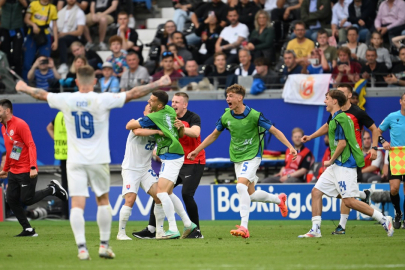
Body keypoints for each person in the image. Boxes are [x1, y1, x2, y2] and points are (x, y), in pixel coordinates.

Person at [14, 66, 172, 259]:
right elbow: (133, 93)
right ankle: (104, 246)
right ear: (95, 82)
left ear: (77, 82)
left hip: (75, 160)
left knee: (77, 205)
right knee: (102, 201)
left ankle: (82, 248)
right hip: (98, 159)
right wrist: (159, 83)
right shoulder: (102, 99)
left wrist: (24, 87)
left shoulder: (67, 99)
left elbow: (41, 94)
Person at [188, 84, 297, 238]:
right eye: (227, 96)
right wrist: (197, 150)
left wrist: (290, 147)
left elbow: (274, 131)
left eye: (231, 96)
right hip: (238, 158)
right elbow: (213, 135)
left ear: (240, 98)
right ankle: (279, 200)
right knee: (250, 194)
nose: (227, 99)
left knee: (240, 186)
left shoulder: (254, 115)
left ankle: (244, 227)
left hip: (253, 156)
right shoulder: (226, 117)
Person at [298, 90, 394, 238]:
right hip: (337, 164)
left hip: (345, 164)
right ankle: (315, 229)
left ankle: (383, 219)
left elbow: (342, 144)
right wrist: (311, 137)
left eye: (327, 99)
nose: (325, 101)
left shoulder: (341, 119)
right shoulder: (336, 117)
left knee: (348, 201)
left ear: (335, 101)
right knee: (316, 192)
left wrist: (330, 160)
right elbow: (331, 133)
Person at [133, 92, 206, 239]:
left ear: (185, 104)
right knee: (163, 192)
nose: (173, 104)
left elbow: (195, 132)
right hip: (174, 159)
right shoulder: (168, 115)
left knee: (185, 194)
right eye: (172, 101)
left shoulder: (193, 117)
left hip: (193, 161)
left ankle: (194, 230)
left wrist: (181, 128)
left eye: (177, 102)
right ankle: (153, 228)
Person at [0, 99, 68, 237]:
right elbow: (11, 150)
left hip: (26, 169)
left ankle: (52, 189)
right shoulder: (4, 128)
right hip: (13, 170)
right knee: (11, 199)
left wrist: (32, 167)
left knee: (27, 199)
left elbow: (31, 145)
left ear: (7, 111)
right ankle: (28, 229)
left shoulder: (20, 124)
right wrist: (6, 169)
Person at [117, 104, 169, 240]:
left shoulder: (157, 125)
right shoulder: (138, 123)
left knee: (160, 196)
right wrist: (157, 132)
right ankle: (121, 233)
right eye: (149, 110)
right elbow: (137, 132)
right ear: (144, 112)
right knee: (130, 199)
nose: (151, 112)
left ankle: (159, 232)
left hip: (146, 169)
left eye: (153, 111)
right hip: (131, 169)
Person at [378, 93, 405, 229]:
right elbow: (377, 131)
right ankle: (398, 213)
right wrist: (383, 142)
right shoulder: (392, 116)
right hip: (396, 156)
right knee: (394, 189)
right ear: (401, 101)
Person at [22, 0, 58, 80]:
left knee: (45, 62)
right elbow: (26, 19)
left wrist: (56, 41)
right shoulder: (33, 4)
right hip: (32, 35)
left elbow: (55, 26)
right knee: (27, 62)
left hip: (45, 35)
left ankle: (46, 85)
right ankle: (25, 84)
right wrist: (33, 25)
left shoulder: (52, 8)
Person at [46, 111, 69, 219]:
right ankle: (74, 212)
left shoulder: (59, 114)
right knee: (75, 185)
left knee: (65, 185)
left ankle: (65, 213)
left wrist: (57, 140)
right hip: (73, 153)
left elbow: (49, 127)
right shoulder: (72, 114)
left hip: (63, 153)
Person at [56, 0, 85, 74]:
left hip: (74, 36)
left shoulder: (80, 12)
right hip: (61, 35)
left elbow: (80, 32)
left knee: (62, 40)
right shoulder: (60, 12)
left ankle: (64, 64)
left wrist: (65, 33)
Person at [0, 0, 27, 76]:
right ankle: (6, 75)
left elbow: (25, 5)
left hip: (17, 28)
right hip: (5, 28)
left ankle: (18, 76)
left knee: (17, 55)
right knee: (5, 53)